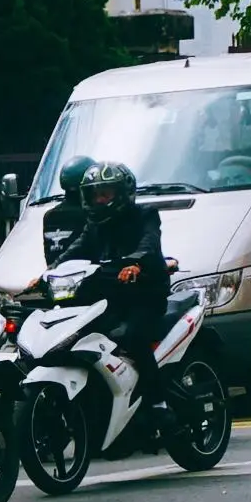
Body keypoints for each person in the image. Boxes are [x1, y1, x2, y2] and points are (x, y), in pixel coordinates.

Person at [39, 158, 173, 404]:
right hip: (109, 296)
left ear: (122, 193)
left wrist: (135, 264)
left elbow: (149, 245)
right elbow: (76, 248)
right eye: (94, 194)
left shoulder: (146, 216)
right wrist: (49, 272)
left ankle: (157, 401)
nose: (99, 200)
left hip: (145, 295)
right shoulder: (95, 224)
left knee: (131, 336)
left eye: (105, 193)